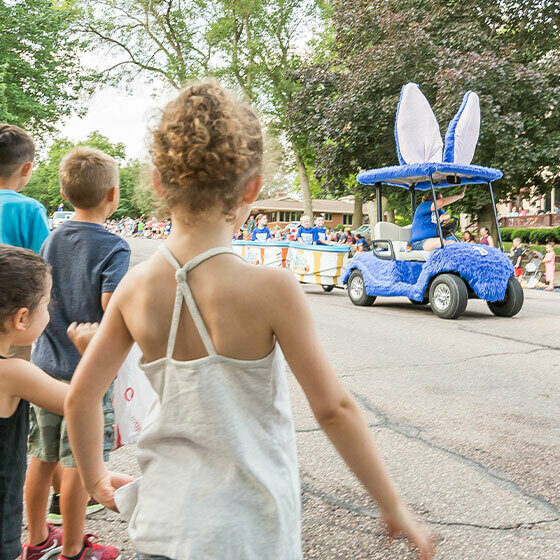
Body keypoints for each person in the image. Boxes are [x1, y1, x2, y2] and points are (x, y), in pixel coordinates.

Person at [64, 80, 434, 560]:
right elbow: (333, 410)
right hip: (249, 531)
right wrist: (392, 505)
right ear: (253, 188)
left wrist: (95, 479)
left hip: (163, 522)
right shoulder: (272, 289)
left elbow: (81, 398)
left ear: (158, 182)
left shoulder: (134, 288)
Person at [25, 147, 130, 560]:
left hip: (44, 368)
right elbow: (111, 307)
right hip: (85, 372)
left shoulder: (51, 240)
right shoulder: (113, 247)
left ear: (67, 194)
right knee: (76, 465)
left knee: (42, 456)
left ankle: (36, 540)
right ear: (112, 195)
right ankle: (72, 548)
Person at [0, 245, 98, 560]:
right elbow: (81, 404)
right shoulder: (13, 373)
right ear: (21, 318)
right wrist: (89, 353)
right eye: (47, 302)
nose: (50, 309)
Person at [0, 124, 50, 361]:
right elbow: (43, 263)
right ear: (27, 168)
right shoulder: (29, 209)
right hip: (13, 315)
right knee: (15, 376)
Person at [410, 187, 466, 252]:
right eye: (439, 199)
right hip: (420, 242)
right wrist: (460, 196)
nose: (442, 202)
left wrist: (445, 218)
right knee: (440, 243)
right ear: (433, 200)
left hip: (440, 239)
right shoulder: (423, 206)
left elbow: (445, 217)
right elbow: (442, 202)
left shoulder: (440, 211)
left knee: (456, 243)